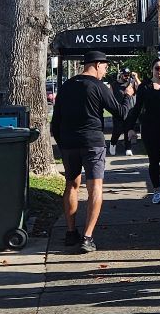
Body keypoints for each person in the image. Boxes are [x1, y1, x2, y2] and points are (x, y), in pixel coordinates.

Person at [49, 50, 128, 253]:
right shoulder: (99, 86)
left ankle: (70, 232)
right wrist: (128, 97)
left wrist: (62, 142)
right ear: (96, 64)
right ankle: (87, 237)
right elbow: (120, 113)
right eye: (105, 66)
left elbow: (55, 122)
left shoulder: (66, 86)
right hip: (92, 142)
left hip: (68, 143)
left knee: (72, 186)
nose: (105, 70)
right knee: (95, 188)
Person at [124, 58, 160, 204]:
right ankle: (157, 190)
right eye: (157, 68)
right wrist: (130, 128)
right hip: (149, 127)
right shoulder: (145, 86)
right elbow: (137, 107)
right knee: (154, 159)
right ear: (152, 70)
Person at [109, 68, 139, 155]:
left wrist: (136, 78)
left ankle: (128, 148)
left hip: (129, 110)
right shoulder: (114, 85)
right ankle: (113, 144)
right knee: (117, 130)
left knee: (128, 130)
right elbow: (110, 98)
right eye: (125, 75)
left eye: (128, 75)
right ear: (121, 75)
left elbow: (140, 88)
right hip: (118, 111)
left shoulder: (131, 83)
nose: (127, 77)